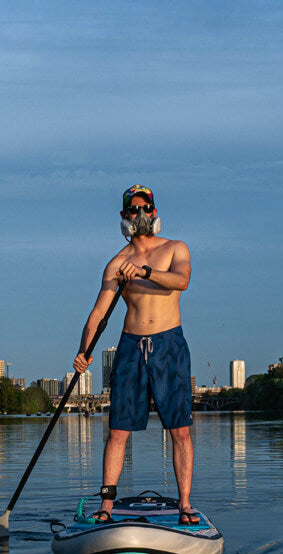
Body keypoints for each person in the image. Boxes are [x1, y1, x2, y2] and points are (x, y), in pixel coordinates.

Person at [73, 185, 197, 525]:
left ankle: (184, 505)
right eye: (133, 209)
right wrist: (83, 351)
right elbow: (98, 313)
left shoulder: (175, 248)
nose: (139, 215)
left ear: (154, 212)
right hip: (130, 347)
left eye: (145, 208)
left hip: (169, 346)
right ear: (124, 216)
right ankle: (107, 506)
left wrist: (143, 272)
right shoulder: (116, 263)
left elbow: (181, 281)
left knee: (180, 430)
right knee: (117, 432)